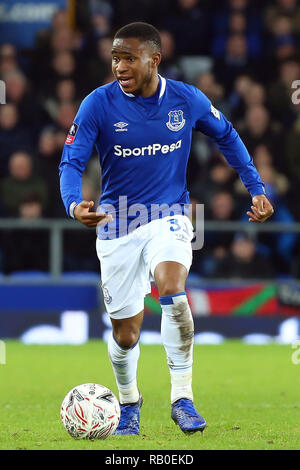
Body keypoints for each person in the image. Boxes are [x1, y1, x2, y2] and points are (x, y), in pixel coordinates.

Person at [59, 22, 274, 436]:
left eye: (128, 57)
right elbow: (70, 162)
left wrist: (256, 188)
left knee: (172, 291)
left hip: (169, 214)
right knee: (126, 335)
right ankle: (129, 404)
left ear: (153, 59)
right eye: (115, 57)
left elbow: (227, 135)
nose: (119, 65)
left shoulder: (185, 99)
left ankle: (183, 399)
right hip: (116, 221)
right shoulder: (97, 105)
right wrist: (73, 205)